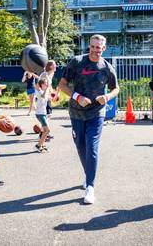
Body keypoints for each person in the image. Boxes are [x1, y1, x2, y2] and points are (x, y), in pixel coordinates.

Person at [58, 34, 119, 204]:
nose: (95, 50)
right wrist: (77, 97)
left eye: (98, 47)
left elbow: (116, 89)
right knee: (80, 146)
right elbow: (62, 85)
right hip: (76, 112)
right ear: (89, 46)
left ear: (103, 48)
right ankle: (88, 175)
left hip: (96, 113)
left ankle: (90, 187)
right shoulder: (76, 62)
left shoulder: (107, 68)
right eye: (92, 47)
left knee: (92, 147)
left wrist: (107, 97)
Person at [39, 60, 58, 140]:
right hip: (43, 98)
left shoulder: (51, 74)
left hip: (47, 97)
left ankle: (45, 132)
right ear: (50, 66)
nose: (56, 66)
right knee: (46, 115)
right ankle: (42, 133)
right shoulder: (44, 74)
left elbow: (49, 86)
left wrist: (54, 94)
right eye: (54, 65)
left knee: (48, 114)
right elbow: (40, 86)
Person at [35, 78, 50, 153]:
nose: (47, 84)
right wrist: (47, 89)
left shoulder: (45, 92)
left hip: (43, 113)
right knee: (47, 130)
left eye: (47, 83)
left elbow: (52, 99)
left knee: (44, 130)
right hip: (39, 114)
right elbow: (43, 96)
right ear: (41, 85)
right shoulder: (39, 91)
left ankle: (42, 145)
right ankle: (38, 145)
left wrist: (57, 93)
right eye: (45, 83)